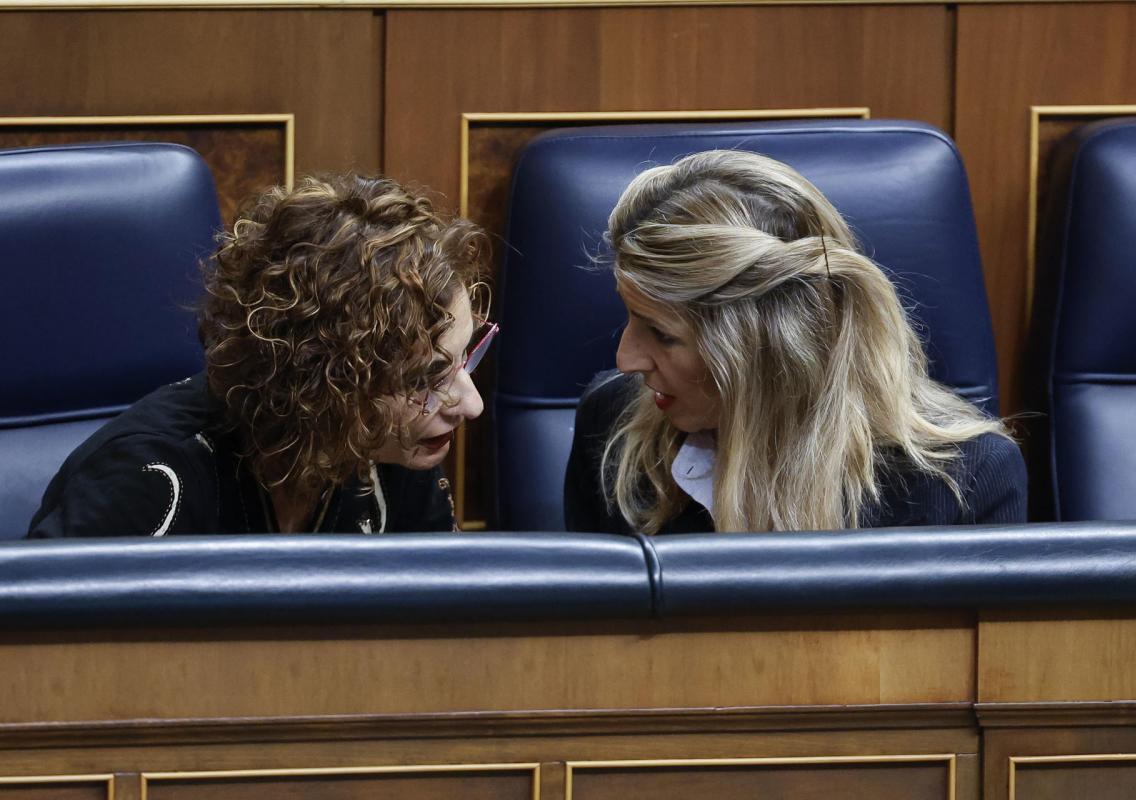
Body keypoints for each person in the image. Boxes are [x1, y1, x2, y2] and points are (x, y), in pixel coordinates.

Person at [564, 150, 1026, 534]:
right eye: (630, 318)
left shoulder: (967, 478)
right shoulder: (611, 426)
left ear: (773, 347)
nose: (626, 359)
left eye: (663, 335)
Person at [28, 174, 495, 537]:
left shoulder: (395, 451)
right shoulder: (145, 481)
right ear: (323, 382)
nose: (470, 404)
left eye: (462, 360)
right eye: (423, 380)